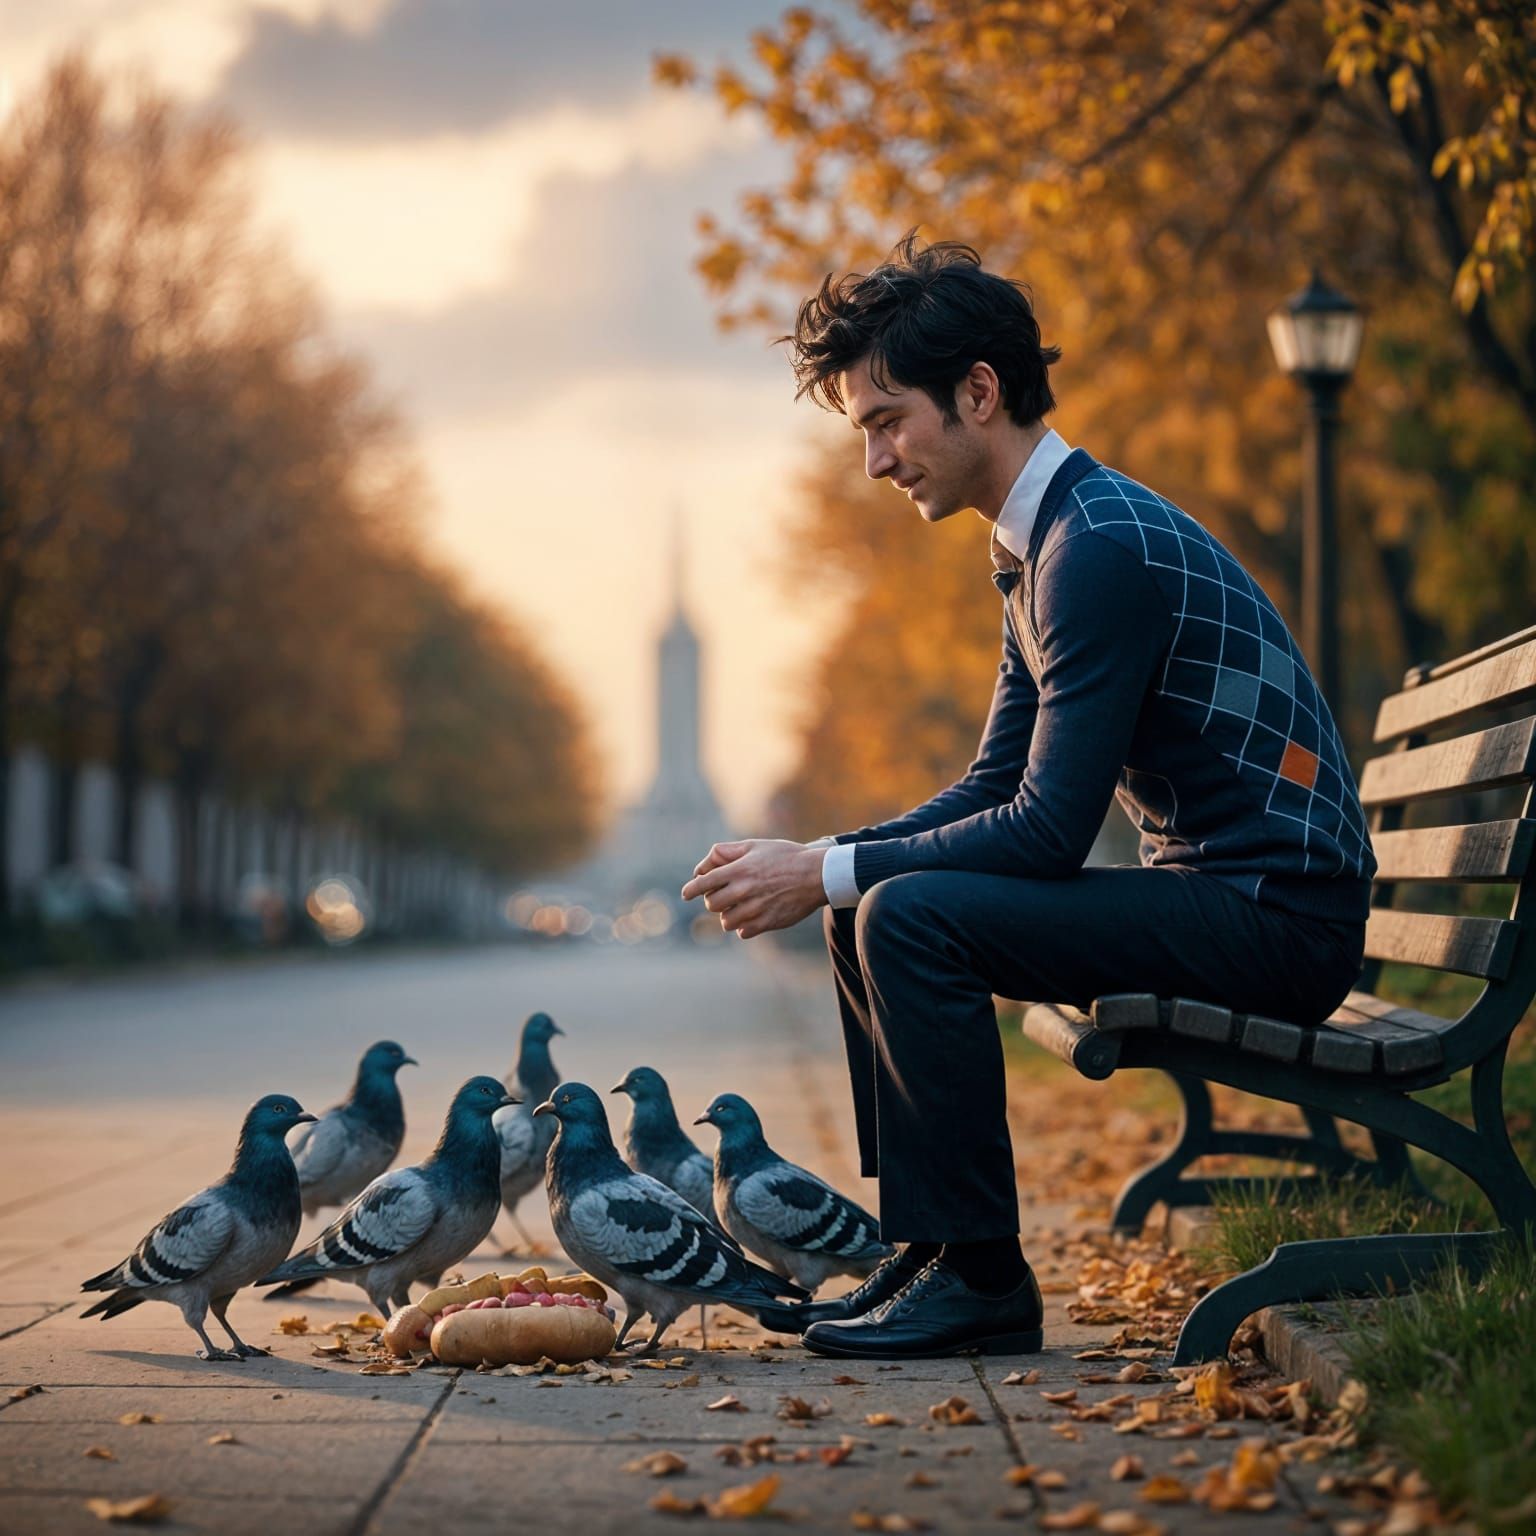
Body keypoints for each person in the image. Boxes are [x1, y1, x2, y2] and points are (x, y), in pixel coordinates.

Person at [681, 234, 1375, 1361]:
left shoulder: (1093, 551)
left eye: (886, 420)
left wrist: (825, 871)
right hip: (1232, 896)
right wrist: (821, 856)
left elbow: (1048, 833)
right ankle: (938, 1246)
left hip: (1281, 919)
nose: (876, 460)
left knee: (904, 911)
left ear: (979, 392)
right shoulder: (1044, 543)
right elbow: (995, 784)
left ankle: (987, 1281)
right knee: (872, 903)